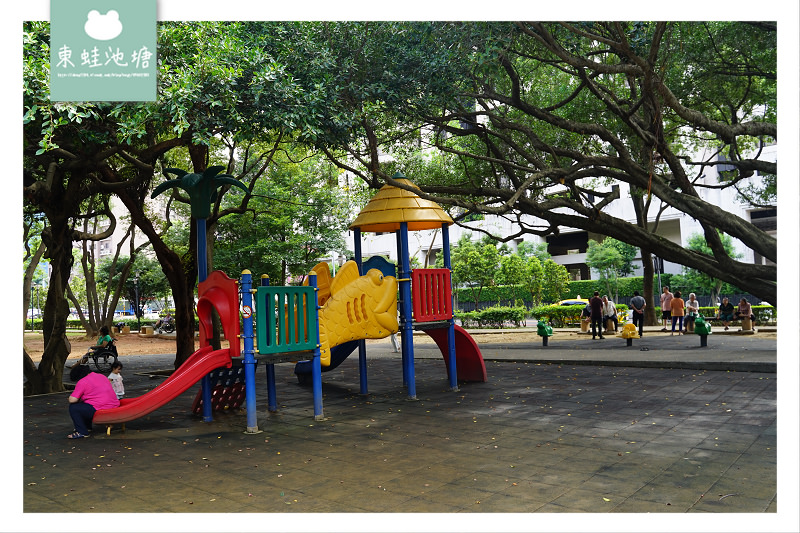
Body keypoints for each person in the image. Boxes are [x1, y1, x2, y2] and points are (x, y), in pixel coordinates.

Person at [67, 365, 120, 439]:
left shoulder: (83, 381)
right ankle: (87, 427)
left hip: (100, 407)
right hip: (114, 404)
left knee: (74, 408)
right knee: (85, 405)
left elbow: (72, 400)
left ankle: (82, 432)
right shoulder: (101, 376)